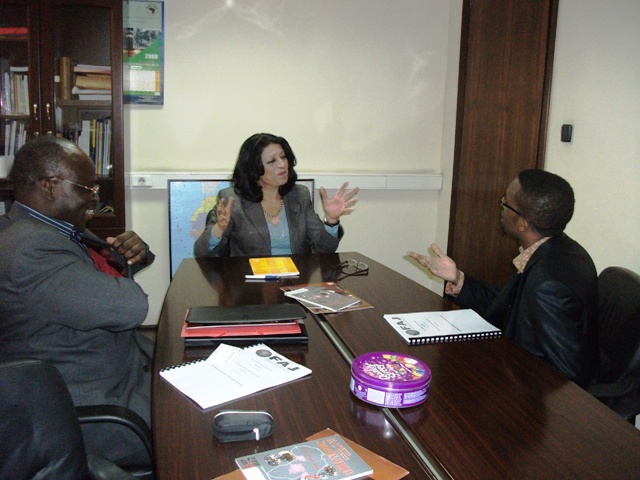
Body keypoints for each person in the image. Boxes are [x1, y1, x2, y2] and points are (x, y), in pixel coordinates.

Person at [0, 136, 155, 464]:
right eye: (87, 188)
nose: (94, 197)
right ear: (50, 186)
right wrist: (116, 279)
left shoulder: (46, 228)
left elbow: (104, 269)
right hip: (95, 410)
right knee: (205, 428)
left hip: (120, 369)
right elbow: (131, 307)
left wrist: (133, 254)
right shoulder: (32, 249)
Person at [407, 169, 598, 388]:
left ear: (522, 223)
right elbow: (511, 304)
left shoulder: (548, 284)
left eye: (505, 203)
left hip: (529, 393)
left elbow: (568, 373)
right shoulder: (560, 250)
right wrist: (457, 278)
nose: (501, 207)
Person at [194, 133, 359, 258]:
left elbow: (325, 249)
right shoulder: (233, 200)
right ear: (253, 169)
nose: (282, 165)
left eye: (283, 157)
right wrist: (219, 228)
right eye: (272, 161)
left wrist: (331, 221)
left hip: (297, 282)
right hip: (251, 285)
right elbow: (202, 253)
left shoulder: (299, 195)